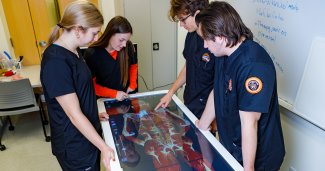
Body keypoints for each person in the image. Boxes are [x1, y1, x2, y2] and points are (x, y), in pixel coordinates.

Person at [195, 1, 285, 170]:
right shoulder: (223, 53)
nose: (205, 46)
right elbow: (218, 92)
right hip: (232, 147)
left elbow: (249, 123)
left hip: (258, 159)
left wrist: (248, 169)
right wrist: (202, 125)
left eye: (206, 40)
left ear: (220, 38)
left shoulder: (253, 65)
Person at [40, 1, 115, 170]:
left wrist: (93, 114)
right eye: (95, 33)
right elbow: (73, 114)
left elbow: (80, 92)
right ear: (77, 30)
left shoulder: (75, 50)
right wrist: (104, 147)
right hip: (75, 145)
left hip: (87, 134)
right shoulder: (55, 62)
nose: (97, 38)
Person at [155, 0, 215, 122]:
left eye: (183, 19)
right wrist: (171, 92)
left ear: (197, 14)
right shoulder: (191, 35)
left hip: (207, 110)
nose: (181, 25)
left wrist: (214, 119)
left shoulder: (215, 41)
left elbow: (221, 85)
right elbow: (189, 66)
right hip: (189, 102)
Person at [84, 16, 137, 101]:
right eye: (121, 40)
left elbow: (133, 65)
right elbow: (91, 85)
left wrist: (132, 85)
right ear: (110, 34)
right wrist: (114, 94)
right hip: (104, 100)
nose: (124, 44)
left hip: (125, 96)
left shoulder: (128, 47)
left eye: (126, 41)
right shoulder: (92, 54)